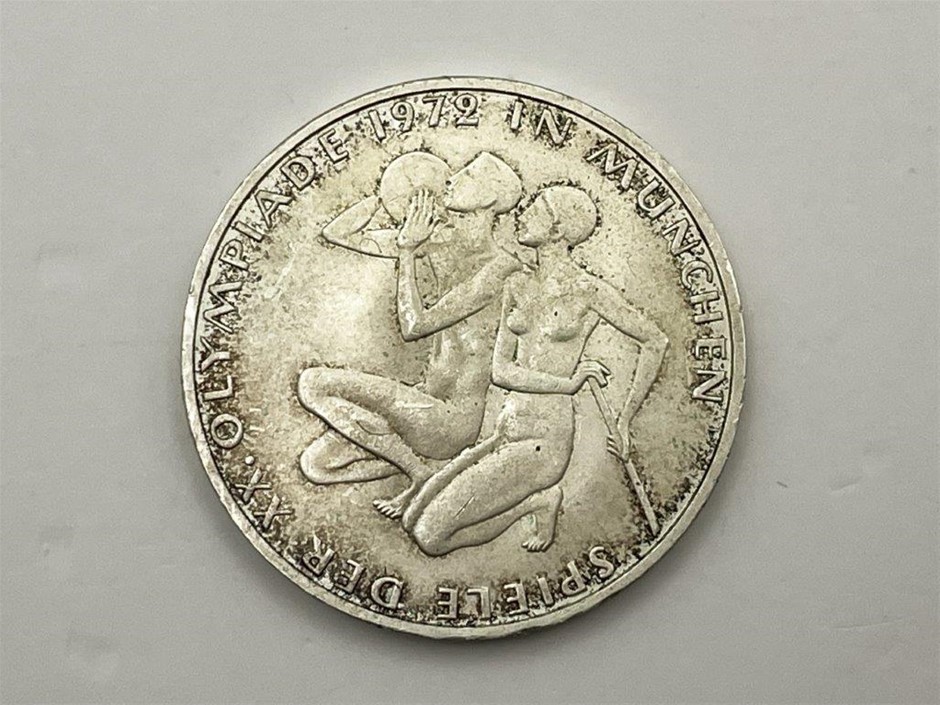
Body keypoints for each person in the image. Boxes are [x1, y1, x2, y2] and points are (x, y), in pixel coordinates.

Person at [401, 185, 669, 556]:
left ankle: (537, 503)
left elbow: (655, 341)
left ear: (557, 229)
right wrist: (568, 383)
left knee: (430, 536)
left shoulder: (589, 292)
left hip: (546, 441)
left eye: (537, 208)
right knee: (410, 520)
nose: (523, 213)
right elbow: (501, 371)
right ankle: (538, 501)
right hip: (506, 431)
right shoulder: (517, 285)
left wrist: (624, 421)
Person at [298, 151, 525, 518]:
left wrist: (407, 251)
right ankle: (423, 467)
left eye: (466, 176)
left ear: (488, 198)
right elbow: (336, 233)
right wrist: (392, 192)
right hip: (419, 408)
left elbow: (414, 326)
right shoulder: (439, 242)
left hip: (450, 422)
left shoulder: (499, 269)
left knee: (313, 384)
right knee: (316, 465)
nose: (451, 179)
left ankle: (418, 472)